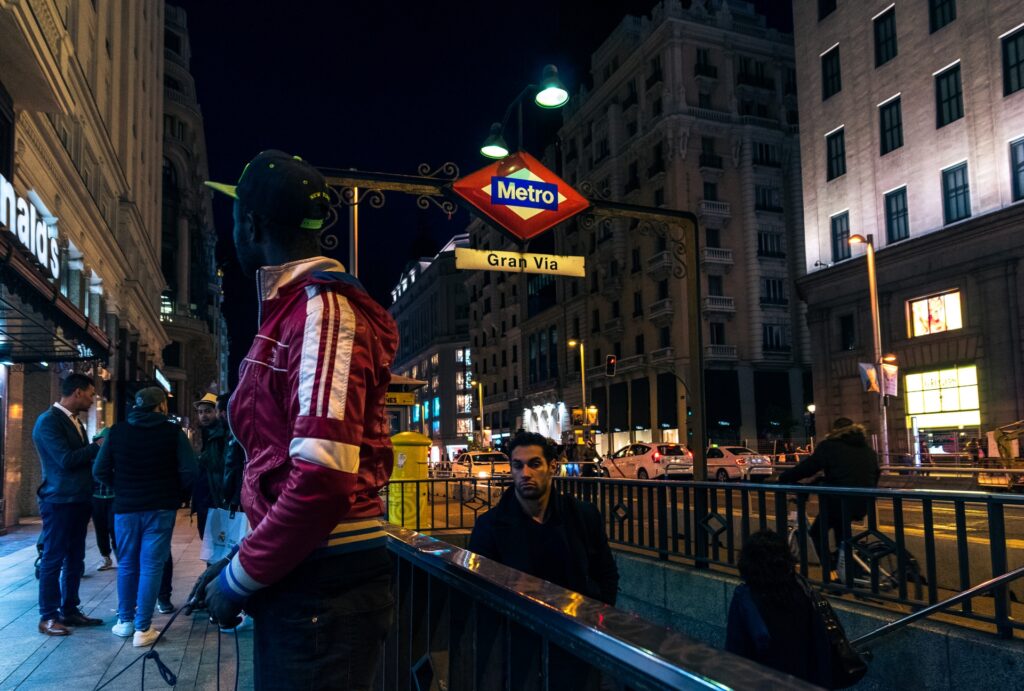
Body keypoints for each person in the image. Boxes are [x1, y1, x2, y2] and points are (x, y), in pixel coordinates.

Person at [199, 150, 398, 689]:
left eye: (235, 217)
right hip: (305, 577)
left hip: (323, 586)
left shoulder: (322, 313)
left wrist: (239, 578)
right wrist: (247, 559)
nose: (232, 229)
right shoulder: (298, 312)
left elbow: (322, 479)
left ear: (254, 226)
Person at [93, 387, 196, 647]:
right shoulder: (172, 432)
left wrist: (122, 487)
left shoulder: (117, 432)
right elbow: (189, 470)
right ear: (161, 406)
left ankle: (125, 622)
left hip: (126, 508)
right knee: (152, 565)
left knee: (127, 564)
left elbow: (99, 470)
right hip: (161, 507)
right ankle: (143, 628)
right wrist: (177, 492)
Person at [468, 431, 619, 605]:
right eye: (518, 465)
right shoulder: (489, 526)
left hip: (575, 625)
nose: (525, 473)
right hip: (520, 626)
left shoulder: (583, 515)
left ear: (552, 467)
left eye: (535, 464)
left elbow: (607, 574)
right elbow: (479, 591)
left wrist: (596, 617)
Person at [32, 373, 105, 636]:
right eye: (89, 394)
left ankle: (70, 610)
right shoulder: (48, 422)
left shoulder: (75, 421)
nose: (92, 399)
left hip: (78, 499)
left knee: (76, 558)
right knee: (53, 558)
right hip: (59, 501)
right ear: (77, 392)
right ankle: (48, 617)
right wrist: (97, 447)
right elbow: (65, 460)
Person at [725, 530, 831, 686]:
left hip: (761, 680)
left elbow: (735, 649)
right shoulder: (802, 590)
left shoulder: (746, 598)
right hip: (802, 681)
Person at [778, 417, 881, 569]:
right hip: (863, 502)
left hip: (838, 501)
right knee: (843, 537)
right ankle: (845, 572)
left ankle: (831, 570)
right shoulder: (867, 449)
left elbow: (809, 467)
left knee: (817, 534)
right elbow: (874, 474)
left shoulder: (830, 445)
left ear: (835, 430)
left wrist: (785, 477)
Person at [191, 392, 229, 540]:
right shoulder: (204, 434)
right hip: (205, 499)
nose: (203, 415)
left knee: (217, 542)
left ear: (217, 412)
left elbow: (218, 466)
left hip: (215, 499)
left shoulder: (220, 435)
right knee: (208, 541)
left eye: (208, 411)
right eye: (200, 412)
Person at [91, 427, 116, 571]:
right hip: (97, 498)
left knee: (114, 528)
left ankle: (119, 555)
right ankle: (105, 557)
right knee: (100, 529)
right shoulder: (93, 457)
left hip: (113, 497)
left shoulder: (115, 457)